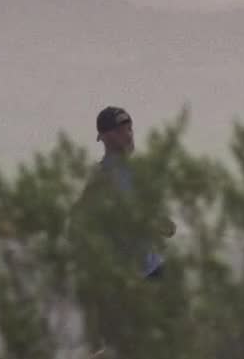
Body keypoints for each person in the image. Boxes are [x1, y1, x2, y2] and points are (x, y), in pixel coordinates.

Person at [74, 105, 175, 280]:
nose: (128, 136)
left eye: (129, 129)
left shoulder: (139, 173)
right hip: (126, 279)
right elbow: (79, 224)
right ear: (104, 137)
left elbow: (164, 225)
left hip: (153, 270)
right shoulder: (101, 178)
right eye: (119, 131)